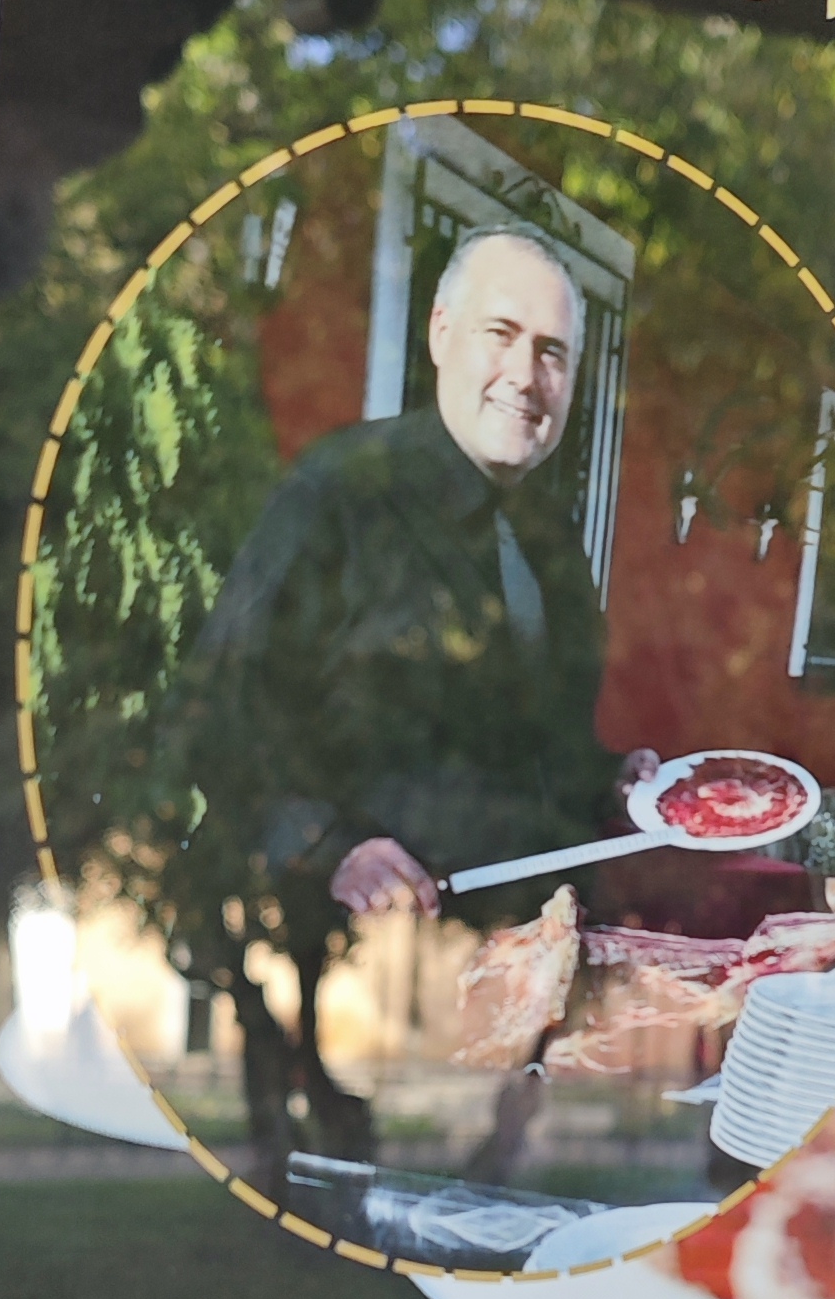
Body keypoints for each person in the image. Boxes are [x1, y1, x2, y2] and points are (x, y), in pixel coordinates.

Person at [182, 222, 638, 927]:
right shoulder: (341, 491)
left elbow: (524, 746)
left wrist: (613, 779)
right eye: (501, 333)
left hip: (535, 950)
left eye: (552, 352)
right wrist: (327, 848)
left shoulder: (550, 537)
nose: (525, 374)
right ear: (441, 333)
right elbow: (215, 709)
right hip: (377, 970)